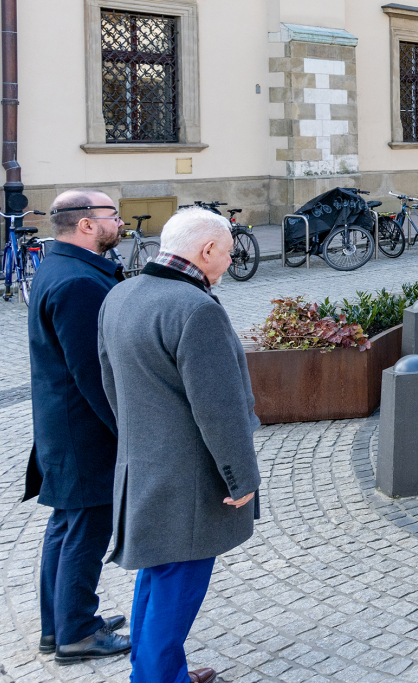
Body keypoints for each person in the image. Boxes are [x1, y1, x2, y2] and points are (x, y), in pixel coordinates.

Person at [98, 207, 261, 683]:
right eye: (228, 253)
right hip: (190, 477)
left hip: (142, 464)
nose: (230, 262)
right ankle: (156, 678)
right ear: (207, 250)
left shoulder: (121, 294)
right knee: (178, 586)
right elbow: (220, 408)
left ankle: (158, 670)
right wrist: (241, 477)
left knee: (159, 575)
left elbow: (111, 386)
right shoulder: (196, 309)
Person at [24, 189, 131, 664]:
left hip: (61, 426)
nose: (120, 221)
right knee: (85, 530)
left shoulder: (59, 268)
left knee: (66, 528)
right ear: (87, 224)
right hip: (82, 432)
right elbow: (95, 372)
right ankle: (77, 633)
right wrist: (126, 431)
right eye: (112, 215)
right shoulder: (79, 283)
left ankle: (60, 625)